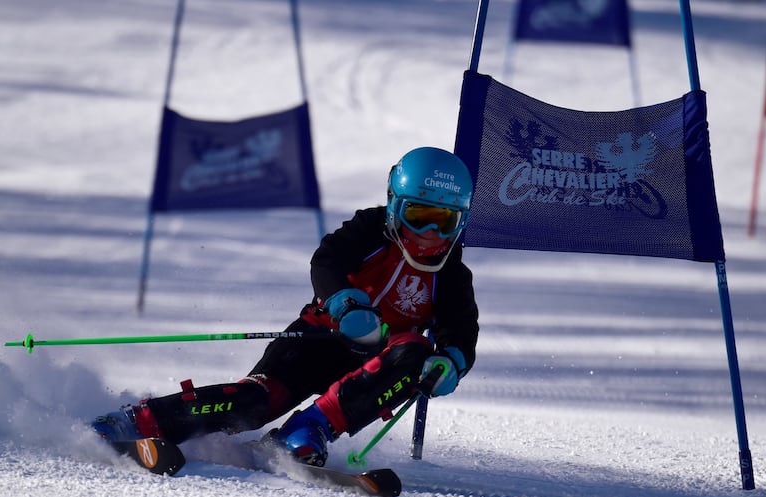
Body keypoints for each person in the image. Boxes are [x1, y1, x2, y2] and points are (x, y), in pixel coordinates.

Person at [93, 146, 479, 467]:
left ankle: (304, 433)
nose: (430, 235)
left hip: (374, 367)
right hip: (316, 340)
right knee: (255, 403)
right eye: (419, 217)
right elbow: (327, 261)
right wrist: (345, 304)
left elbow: (460, 330)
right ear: (395, 205)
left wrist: (451, 362)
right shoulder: (370, 229)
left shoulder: (450, 273)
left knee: (417, 352)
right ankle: (137, 421)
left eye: (444, 221)